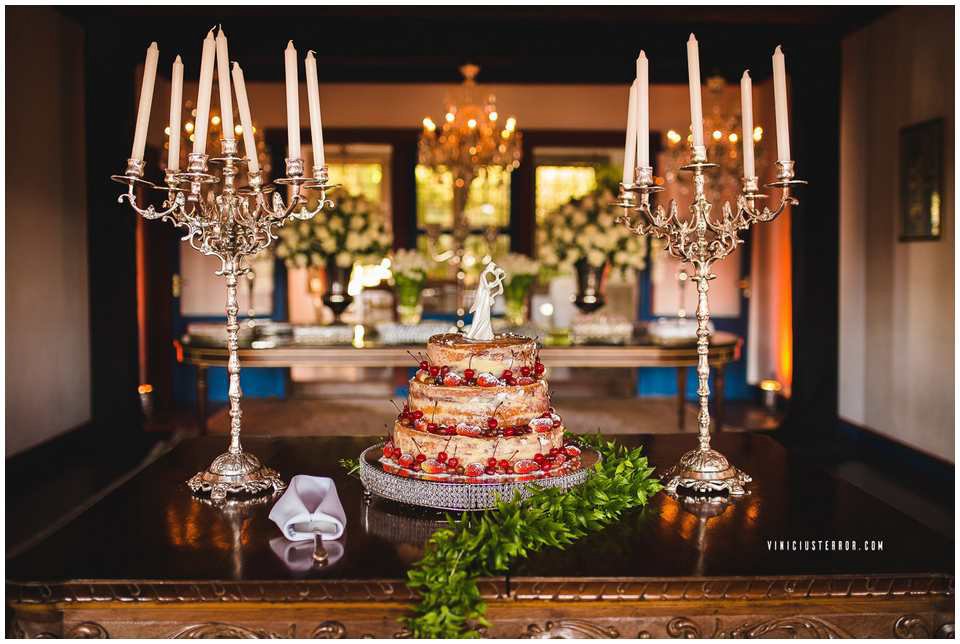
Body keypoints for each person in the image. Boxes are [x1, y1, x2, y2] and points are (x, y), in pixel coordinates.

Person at [465, 262, 505, 341]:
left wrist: (497, 281)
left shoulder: (487, 274)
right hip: (483, 297)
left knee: (486, 314)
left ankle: (485, 333)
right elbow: (487, 286)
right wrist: (497, 281)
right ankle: (478, 333)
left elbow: (489, 287)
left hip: (486, 296)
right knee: (482, 314)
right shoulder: (483, 274)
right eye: (492, 268)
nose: (492, 270)